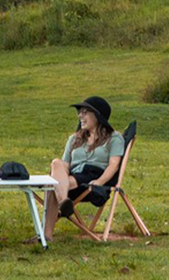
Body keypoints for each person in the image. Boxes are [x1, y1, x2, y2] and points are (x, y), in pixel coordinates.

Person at [43, 96, 124, 241]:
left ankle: (45, 236)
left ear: (98, 115)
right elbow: (65, 165)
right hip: (73, 176)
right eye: (80, 112)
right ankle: (63, 202)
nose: (80, 115)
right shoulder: (74, 139)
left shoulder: (114, 138)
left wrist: (99, 181)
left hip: (93, 177)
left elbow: (113, 165)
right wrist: (59, 172)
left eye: (85, 112)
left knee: (52, 186)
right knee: (56, 163)